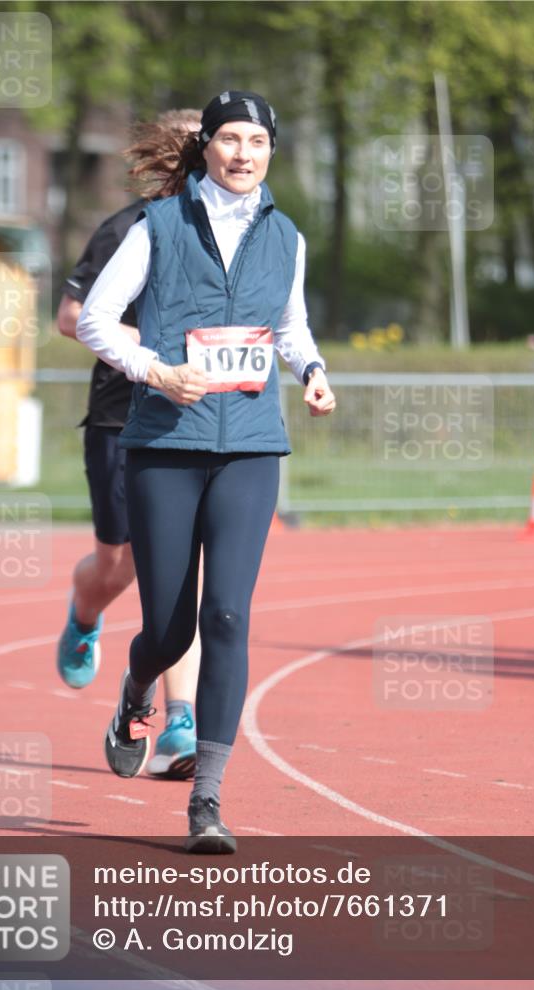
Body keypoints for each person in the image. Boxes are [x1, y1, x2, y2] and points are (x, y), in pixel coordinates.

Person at [76, 90, 336, 853]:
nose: (243, 153)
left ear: (270, 150)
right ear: (208, 148)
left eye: (257, 140)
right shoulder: (157, 226)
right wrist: (155, 371)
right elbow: (95, 318)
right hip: (164, 446)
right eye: (229, 138)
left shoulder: (284, 234)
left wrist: (313, 369)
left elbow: (289, 325)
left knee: (226, 616)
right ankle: (134, 694)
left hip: (251, 445)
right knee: (168, 627)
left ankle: (207, 801)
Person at [56, 109, 202, 780]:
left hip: (191, 421)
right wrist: (146, 352)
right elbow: (70, 317)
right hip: (120, 420)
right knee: (116, 568)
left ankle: (179, 721)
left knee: (174, 576)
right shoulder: (124, 229)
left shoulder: (226, 234)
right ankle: (85, 613)